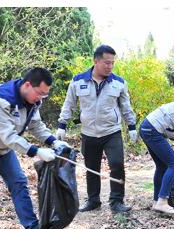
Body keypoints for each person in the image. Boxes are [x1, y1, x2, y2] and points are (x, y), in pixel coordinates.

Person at [0, 67, 70, 229]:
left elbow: (36, 126)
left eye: (45, 95)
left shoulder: (34, 101)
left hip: (2, 149)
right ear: (28, 85)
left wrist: (53, 141)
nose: (41, 98)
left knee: (19, 183)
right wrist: (36, 151)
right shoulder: (0, 98)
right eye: (40, 93)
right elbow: (8, 136)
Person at [57, 45, 137, 214]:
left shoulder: (119, 83)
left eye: (112, 63)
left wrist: (131, 126)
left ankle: (116, 201)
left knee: (117, 165)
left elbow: (126, 107)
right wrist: (62, 125)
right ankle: (93, 200)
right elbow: (69, 104)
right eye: (107, 63)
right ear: (96, 61)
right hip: (89, 133)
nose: (110, 66)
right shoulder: (78, 81)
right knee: (91, 167)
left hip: (111, 132)